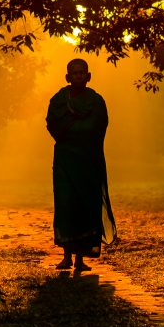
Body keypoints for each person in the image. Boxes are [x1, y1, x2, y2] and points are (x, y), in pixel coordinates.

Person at [45, 58, 117, 271]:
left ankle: (80, 260)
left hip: (88, 160)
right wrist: (73, 131)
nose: (78, 76)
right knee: (67, 206)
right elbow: (53, 125)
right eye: (74, 73)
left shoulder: (96, 101)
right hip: (65, 161)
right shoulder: (58, 100)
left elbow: (96, 127)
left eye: (81, 73)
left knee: (87, 207)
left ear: (88, 76)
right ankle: (66, 257)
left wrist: (72, 131)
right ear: (68, 77)